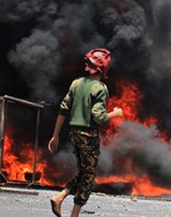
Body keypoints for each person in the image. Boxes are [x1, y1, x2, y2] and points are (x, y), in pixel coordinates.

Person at [48, 48, 124, 217]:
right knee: (88, 178)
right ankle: (73, 213)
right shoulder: (100, 88)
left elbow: (63, 109)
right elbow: (99, 117)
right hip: (88, 136)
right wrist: (115, 113)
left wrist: (55, 136)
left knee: (84, 172)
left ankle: (60, 198)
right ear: (104, 68)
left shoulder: (76, 83)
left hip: (74, 134)